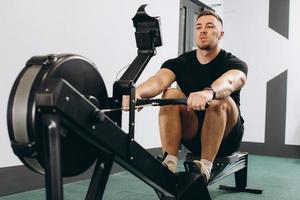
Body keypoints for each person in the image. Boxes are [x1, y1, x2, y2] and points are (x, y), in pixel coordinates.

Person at [123, 10, 247, 183]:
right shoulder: (181, 62)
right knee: (171, 93)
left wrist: (208, 92)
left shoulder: (232, 62)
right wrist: (137, 93)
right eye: (198, 27)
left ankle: (205, 168)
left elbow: (231, 81)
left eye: (210, 26)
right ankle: (169, 164)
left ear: (221, 34)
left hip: (227, 138)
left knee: (219, 100)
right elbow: (158, 81)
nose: (203, 30)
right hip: (194, 133)